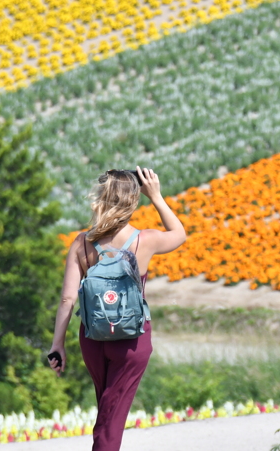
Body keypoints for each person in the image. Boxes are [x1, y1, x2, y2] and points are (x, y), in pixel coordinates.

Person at [48, 166, 186, 451]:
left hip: (93, 338)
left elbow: (67, 300)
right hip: (132, 341)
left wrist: (57, 345)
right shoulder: (144, 240)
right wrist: (157, 197)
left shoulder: (81, 244)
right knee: (110, 418)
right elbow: (179, 234)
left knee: (107, 409)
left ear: (101, 197)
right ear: (133, 201)